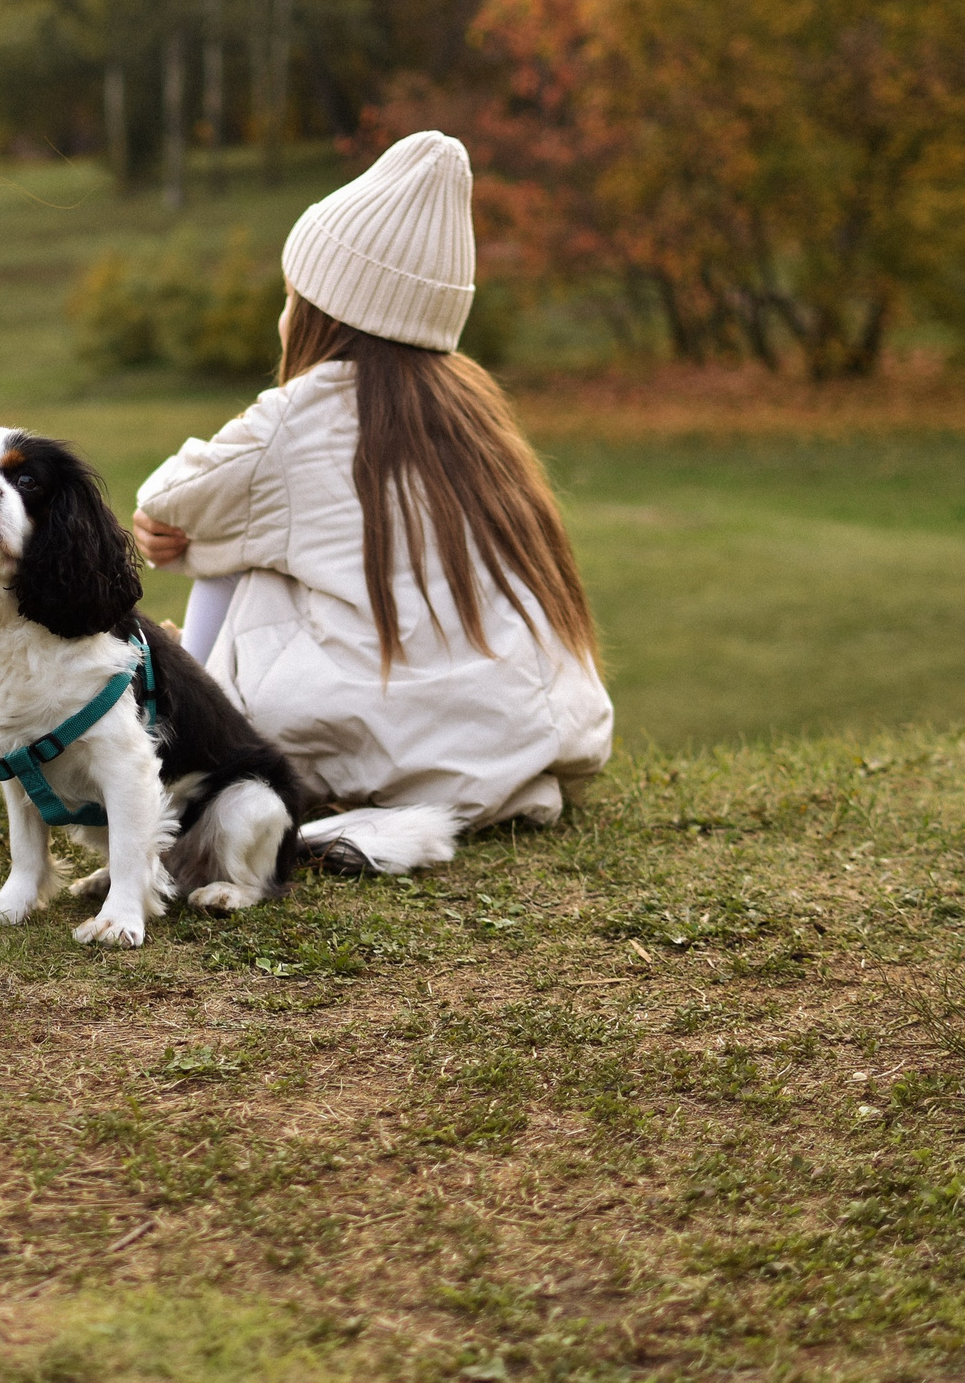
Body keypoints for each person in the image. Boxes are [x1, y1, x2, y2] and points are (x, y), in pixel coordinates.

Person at [131, 131, 611, 873]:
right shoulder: (476, 412)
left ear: (325, 308)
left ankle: (187, 746)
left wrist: (186, 540)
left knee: (254, 561)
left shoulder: (301, 412)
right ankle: (408, 807)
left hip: (373, 735)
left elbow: (170, 497)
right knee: (262, 539)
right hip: (512, 742)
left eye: (293, 296)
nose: (284, 314)